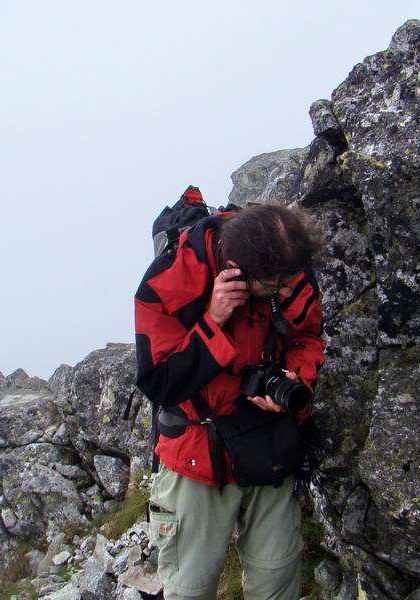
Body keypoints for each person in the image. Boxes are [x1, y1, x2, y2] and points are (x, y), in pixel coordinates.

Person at [134, 200, 326, 600]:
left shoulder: (286, 265)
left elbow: (307, 336)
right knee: (190, 589)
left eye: (292, 281)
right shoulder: (169, 281)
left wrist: (295, 378)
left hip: (270, 445)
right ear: (236, 271)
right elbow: (159, 383)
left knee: (276, 581)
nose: (289, 291)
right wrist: (213, 321)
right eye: (276, 287)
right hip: (197, 457)